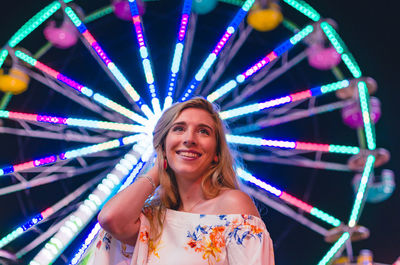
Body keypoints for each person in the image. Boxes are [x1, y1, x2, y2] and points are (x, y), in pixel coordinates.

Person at [89, 97, 274, 265]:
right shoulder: (151, 220)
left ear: (217, 154)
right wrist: (157, 170)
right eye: (179, 128)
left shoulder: (232, 205)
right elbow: (110, 219)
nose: (189, 139)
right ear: (162, 145)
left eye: (203, 131)